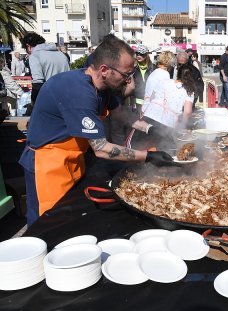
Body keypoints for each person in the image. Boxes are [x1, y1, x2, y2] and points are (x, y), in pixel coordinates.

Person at [18, 35, 176, 226]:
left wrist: (153, 129)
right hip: (46, 164)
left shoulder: (103, 88)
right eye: (126, 75)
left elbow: (121, 115)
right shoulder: (79, 92)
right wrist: (148, 156)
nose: (128, 81)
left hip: (72, 160)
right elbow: (101, 148)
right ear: (104, 70)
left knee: (69, 218)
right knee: (47, 222)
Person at [128, 64, 197, 151]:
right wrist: (182, 127)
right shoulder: (189, 90)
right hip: (167, 124)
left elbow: (151, 97)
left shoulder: (164, 81)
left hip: (149, 116)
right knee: (163, 151)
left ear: (178, 74)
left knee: (138, 148)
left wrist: (144, 111)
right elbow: (187, 112)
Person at [124, 50, 176, 149]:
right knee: (161, 140)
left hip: (147, 108)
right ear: (170, 63)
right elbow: (162, 95)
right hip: (154, 111)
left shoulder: (155, 72)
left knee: (152, 140)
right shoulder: (164, 74)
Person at [20, 32, 70, 108]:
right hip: (66, 99)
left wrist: (33, 104)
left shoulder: (35, 55)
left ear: (28, 46)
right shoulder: (61, 54)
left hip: (50, 102)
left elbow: (37, 83)